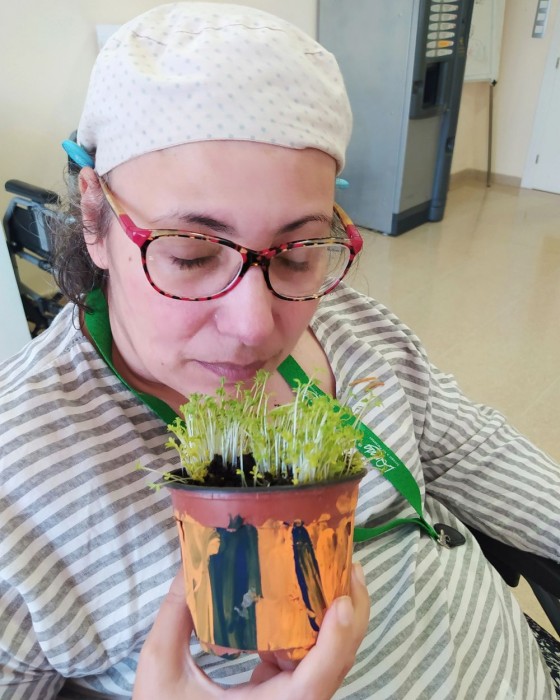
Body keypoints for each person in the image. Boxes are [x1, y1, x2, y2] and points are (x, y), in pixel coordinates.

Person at [0, 3, 558, 699]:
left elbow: (479, 452)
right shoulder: (19, 480)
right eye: (191, 254)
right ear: (93, 216)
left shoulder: (350, 325)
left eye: (298, 254)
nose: (255, 326)